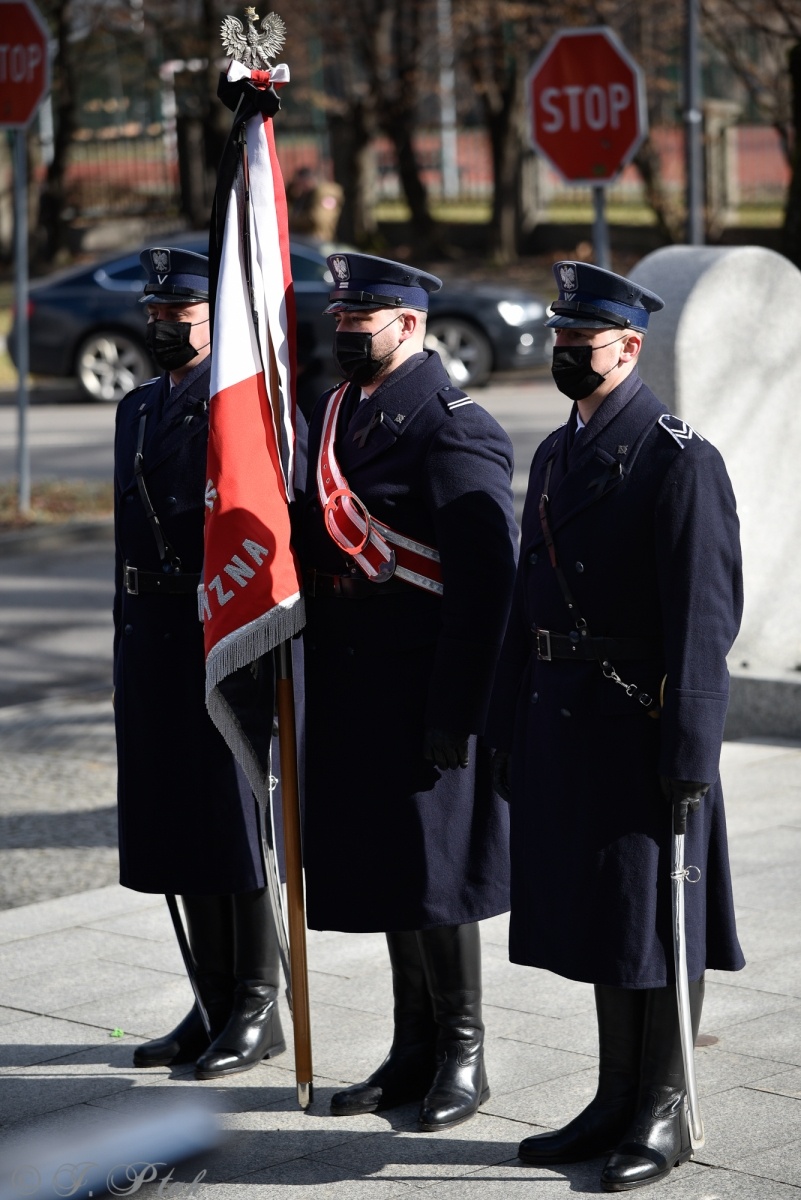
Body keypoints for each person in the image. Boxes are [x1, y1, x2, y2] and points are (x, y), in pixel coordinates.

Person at [487, 261, 745, 1191]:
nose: (563, 354)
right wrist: (501, 721)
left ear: (628, 349)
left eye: (579, 343)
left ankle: (664, 1107)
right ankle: (614, 1094)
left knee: (656, 920)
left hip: (641, 728)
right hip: (565, 718)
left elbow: (705, 620)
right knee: (606, 920)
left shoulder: (680, 459)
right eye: (556, 340)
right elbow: (527, 597)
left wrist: (690, 752)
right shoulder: (558, 451)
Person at [295, 252, 518, 1131]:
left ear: (412, 325)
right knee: (393, 872)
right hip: (355, 688)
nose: (346, 337)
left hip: (426, 690)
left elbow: (485, 587)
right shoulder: (337, 410)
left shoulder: (454, 426)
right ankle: (410, 1049)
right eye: (340, 325)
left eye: (364, 325)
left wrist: (459, 712)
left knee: (436, 880)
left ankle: (464, 1055)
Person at [113, 246, 284, 1080]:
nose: (161, 331)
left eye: (176, 319)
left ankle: (256, 1002)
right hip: (149, 634)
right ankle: (209, 997)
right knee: (174, 816)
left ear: (214, 321)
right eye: (154, 318)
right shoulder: (137, 409)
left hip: (213, 630)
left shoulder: (238, 413)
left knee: (229, 821)